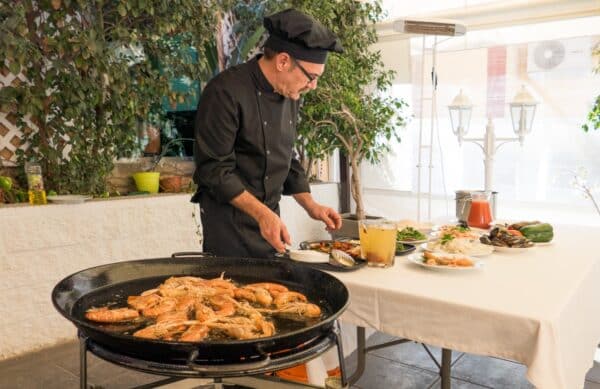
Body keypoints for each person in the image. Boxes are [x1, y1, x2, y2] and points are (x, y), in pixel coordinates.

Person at [192, 8, 343, 258]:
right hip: (228, 226)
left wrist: (311, 206)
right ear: (283, 61)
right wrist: (262, 213)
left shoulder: (290, 93)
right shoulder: (225, 92)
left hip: (269, 220)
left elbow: (286, 156)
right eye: (311, 77)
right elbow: (215, 170)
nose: (313, 86)